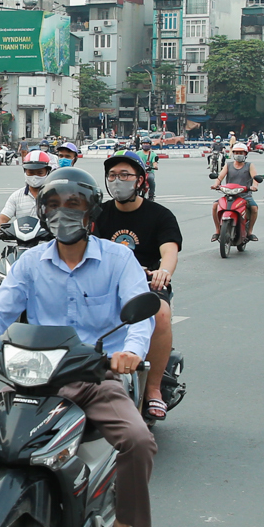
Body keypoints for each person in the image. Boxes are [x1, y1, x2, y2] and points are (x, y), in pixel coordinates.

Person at [0, 166, 157, 527]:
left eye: (73, 205)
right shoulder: (30, 262)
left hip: (95, 378)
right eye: (53, 205)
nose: (62, 214)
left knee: (137, 440)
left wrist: (130, 352)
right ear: (43, 213)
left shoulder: (119, 259)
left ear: (90, 214)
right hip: (35, 378)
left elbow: (140, 314)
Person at [94, 151, 182, 420]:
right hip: (103, 281)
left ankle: (153, 389)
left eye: (125, 175)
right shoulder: (98, 213)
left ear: (141, 180)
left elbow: (169, 251)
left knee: (161, 314)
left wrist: (163, 272)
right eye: (112, 175)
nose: (117, 181)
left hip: (146, 282)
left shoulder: (160, 215)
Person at [214, 142, 261, 242]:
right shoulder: (228, 165)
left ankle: (250, 232)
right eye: (236, 152)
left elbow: (255, 178)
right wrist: (216, 184)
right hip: (229, 195)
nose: (238, 155)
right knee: (215, 206)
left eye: (241, 153)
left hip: (244, 195)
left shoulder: (249, 165)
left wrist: (254, 186)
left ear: (245, 154)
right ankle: (218, 230)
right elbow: (220, 177)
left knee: (254, 208)